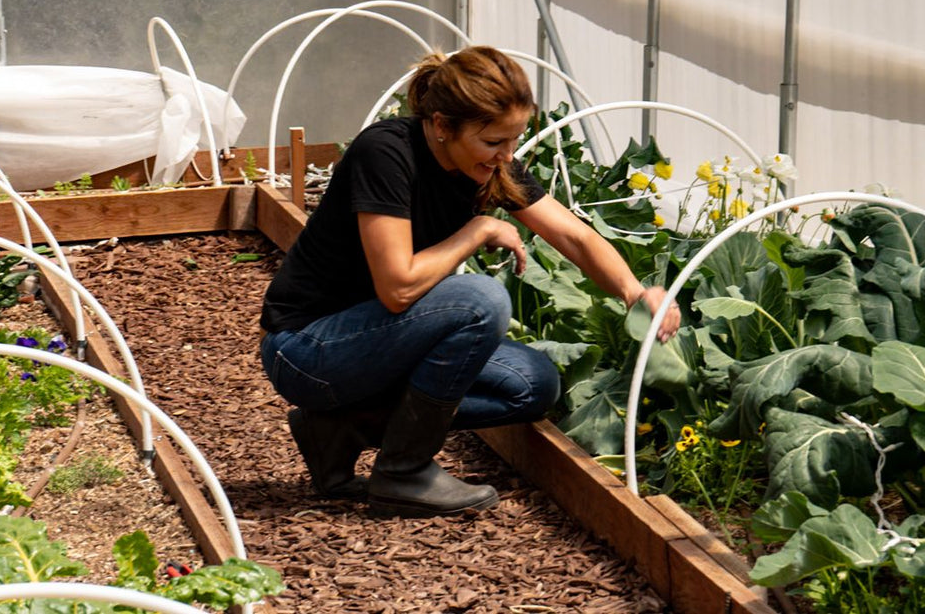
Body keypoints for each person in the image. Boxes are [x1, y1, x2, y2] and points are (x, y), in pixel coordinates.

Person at [259, 45, 680, 518]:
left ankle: (342, 430)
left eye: (514, 139)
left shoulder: (488, 165)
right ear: (442, 125)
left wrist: (635, 292)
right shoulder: (386, 154)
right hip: (309, 350)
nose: (506, 155)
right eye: (494, 141)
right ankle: (404, 471)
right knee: (480, 298)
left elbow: (575, 237)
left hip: (380, 342)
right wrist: (477, 230)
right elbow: (397, 288)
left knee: (531, 385)